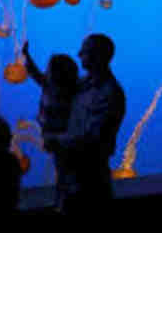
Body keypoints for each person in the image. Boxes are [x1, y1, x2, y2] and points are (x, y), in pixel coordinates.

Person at [43, 34, 126, 224]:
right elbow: (54, 86)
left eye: (85, 51)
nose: (79, 54)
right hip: (68, 177)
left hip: (90, 182)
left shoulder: (109, 93)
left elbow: (93, 139)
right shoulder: (83, 84)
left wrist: (55, 139)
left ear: (98, 56)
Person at [21, 41, 79, 212]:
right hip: (52, 137)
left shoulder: (73, 93)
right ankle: (62, 201)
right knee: (61, 171)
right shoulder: (49, 85)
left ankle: (66, 204)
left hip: (65, 139)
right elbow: (34, 73)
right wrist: (27, 56)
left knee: (66, 172)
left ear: (58, 74)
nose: (46, 72)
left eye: (49, 70)